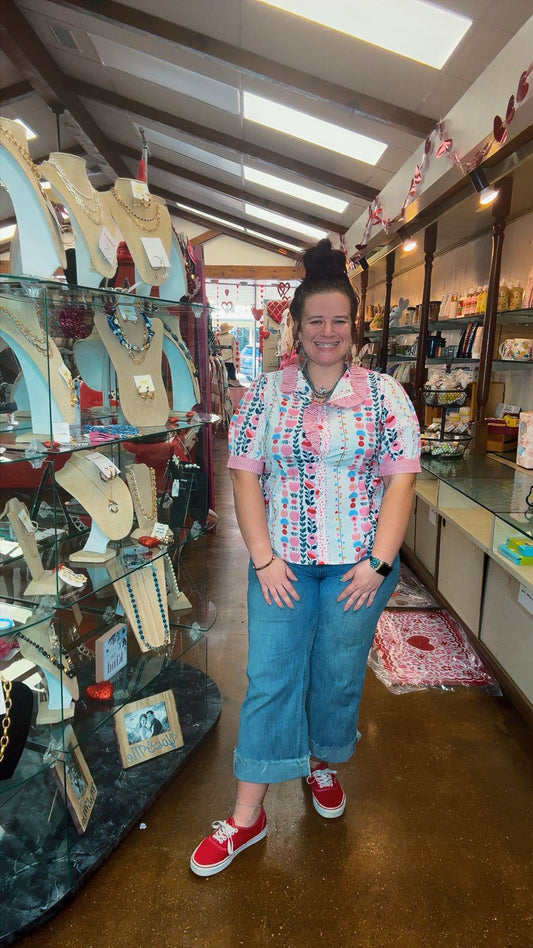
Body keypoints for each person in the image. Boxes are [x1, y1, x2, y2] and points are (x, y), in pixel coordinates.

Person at [190, 239, 421, 877]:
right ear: (296, 326)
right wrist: (262, 560)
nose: (327, 332)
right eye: (315, 321)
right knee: (270, 677)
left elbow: (401, 483)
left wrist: (377, 564)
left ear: (355, 329)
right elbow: (242, 473)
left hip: (358, 569)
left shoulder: (386, 397)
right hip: (282, 566)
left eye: (338, 322)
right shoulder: (267, 393)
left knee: (338, 675)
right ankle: (247, 815)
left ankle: (320, 763)